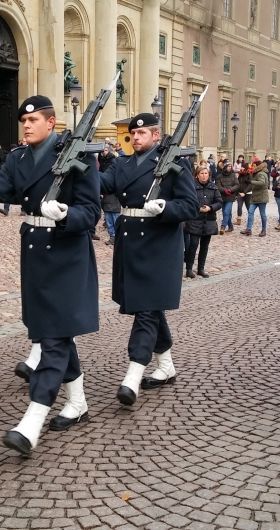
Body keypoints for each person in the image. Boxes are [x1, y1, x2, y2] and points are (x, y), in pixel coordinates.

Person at [0, 95, 100, 456]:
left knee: (54, 340)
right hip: (35, 253)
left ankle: (33, 419)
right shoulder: (18, 158)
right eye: (23, 121)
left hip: (66, 255)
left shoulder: (78, 155)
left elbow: (90, 212)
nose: (26, 126)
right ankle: (77, 404)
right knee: (52, 332)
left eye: (33, 120)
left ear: (52, 122)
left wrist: (66, 215)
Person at [99, 112, 197, 407]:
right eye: (133, 134)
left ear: (156, 135)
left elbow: (190, 205)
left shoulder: (175, 164)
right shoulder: (122, 162)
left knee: (146, 311)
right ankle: (166, 365)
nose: (136, 137)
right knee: (150, 308)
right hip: (131, 244)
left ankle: (133, 374)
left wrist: (165, 206)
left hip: (159, 244)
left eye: (142, 134)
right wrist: (81, 166)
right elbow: (102, 184)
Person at [185, 166, 221, 277]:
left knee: (204, 246)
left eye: (206, 173)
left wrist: (210, 207)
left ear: (209, 175)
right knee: (193, 245)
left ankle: (201, 268)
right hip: (195, 220)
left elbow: (219, 202)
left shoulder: (213, 187)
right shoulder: (191, 187)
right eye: (201, 173)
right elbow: (188, 201)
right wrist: (198, 208)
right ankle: (189, 269)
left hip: (208, 220)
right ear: (197, 175)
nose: (204, 175)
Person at [98, 141, 121, 245]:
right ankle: (112, 235)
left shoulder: (115, 161)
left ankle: (115, 236)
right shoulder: (101, 159)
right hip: (106, 193)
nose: (104, 152)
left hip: (114, 197)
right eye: (103, 150)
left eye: (106, 150)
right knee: (108, 218)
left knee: (115, 217)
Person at [243, 158, 269, 236]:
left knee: (262, 214)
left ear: (258, 166)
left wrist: (251, 182)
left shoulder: (261, 173)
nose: (252, 167)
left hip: (261, 197)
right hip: (255, 197)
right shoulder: (256, 173)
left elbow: (262, 182)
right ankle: (248, 229)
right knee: (250, 212)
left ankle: (264, 230)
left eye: (253, 166)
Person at [215, 161, 238, 233]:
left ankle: (223, 226)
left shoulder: (233, 175)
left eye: (230, 166)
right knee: (225, 212)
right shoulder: (219, 176)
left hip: (230, 196)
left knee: (226, 212)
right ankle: (230, 226)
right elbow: (218, 186)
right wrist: (224, 190)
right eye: (228, 166)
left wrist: (230, 190)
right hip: (222, 196)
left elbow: (237, 185)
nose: (229, 168)